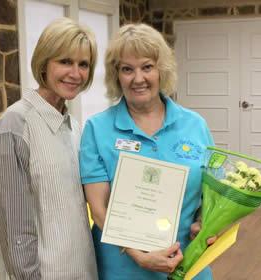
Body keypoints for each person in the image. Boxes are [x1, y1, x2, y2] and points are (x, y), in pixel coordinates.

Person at [79, 23, 214, 280]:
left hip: (189, 264)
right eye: (127, 69)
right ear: (116, 75)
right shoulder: (97, 129)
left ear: (161, 70)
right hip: (123, 269)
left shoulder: (195, 125)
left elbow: (210, 192)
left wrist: (204, 222)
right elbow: (99, 210)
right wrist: (139, 255)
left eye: (147, 67)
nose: (138, 78)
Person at [0, 17, 98, 280]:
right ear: (44, 62)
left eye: (83, 64)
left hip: (83, 270)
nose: (76, 73)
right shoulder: (14, 126)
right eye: (65, 61)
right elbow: (15, 231)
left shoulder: (75, 129)